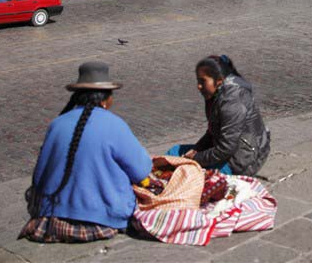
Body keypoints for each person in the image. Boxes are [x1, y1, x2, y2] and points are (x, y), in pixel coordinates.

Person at [20, 62, 151, 244]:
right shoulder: (115, 124)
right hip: (102, 221)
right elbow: (142, 170)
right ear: (106, 99)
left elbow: (39, 177)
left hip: (51, 219)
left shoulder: (57, 124)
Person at [170, 55, 271, 177]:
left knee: (189, 174)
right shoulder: (215, 94)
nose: (199, 86)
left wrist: (196, 158)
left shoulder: (232, 102)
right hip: (226, 149)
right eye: (198, 81)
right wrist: (197, 148)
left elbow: (226, 148)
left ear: (218, 81)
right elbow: (213, 131)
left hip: (242, 160)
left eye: (203, 81)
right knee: (174, 153)